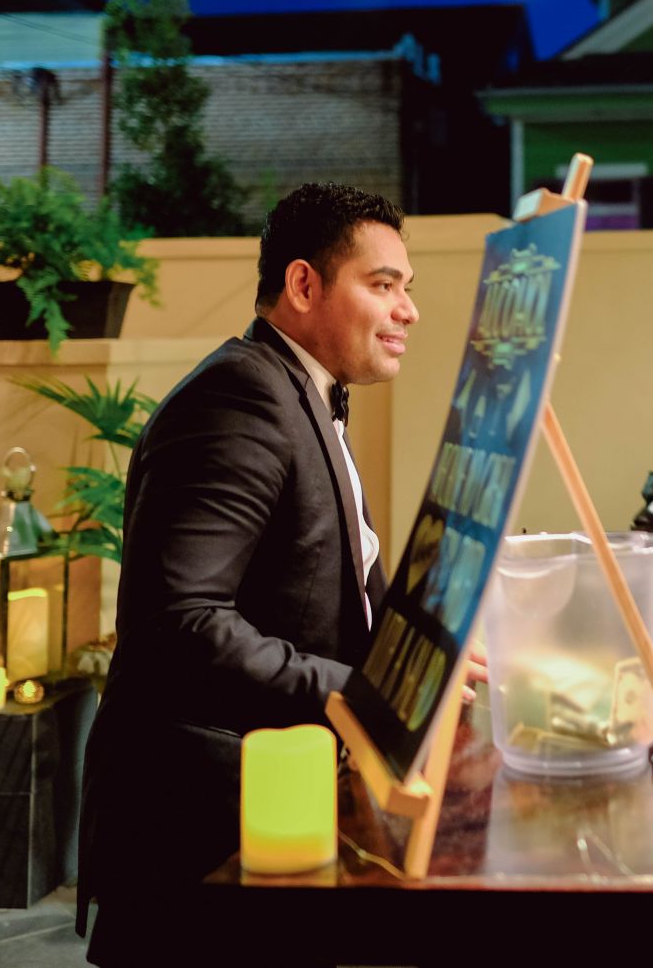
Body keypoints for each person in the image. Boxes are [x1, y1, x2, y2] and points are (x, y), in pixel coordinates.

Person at [77, 183, 419, 965]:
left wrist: (421, 656)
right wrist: (361, 695)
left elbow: (327, 586)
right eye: (383, 285)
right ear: (303, 284)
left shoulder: (302, 391)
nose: (408, 310)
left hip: (269, 812)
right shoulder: (239, 397)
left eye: (406, 288)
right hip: (197, 835)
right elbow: (180, 623)